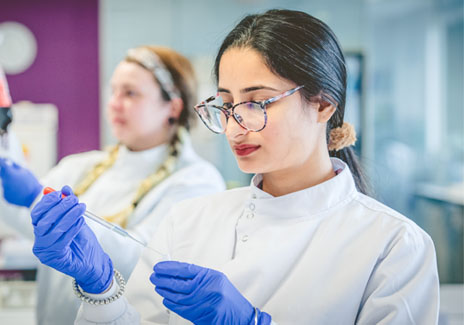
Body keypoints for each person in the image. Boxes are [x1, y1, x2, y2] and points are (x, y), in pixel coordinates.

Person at [29, 9, 440, 325]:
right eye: (226, 105)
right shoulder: (189, 221)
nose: (234, 126)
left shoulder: (394, 247)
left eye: (256, 102)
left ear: (323, 104)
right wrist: (100, 289)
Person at [0, 46, 226, 324]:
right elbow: (18, 216)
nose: (114, 103)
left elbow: (147, 261)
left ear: (172, 106)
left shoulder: (196, 181)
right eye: (113, 91)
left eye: (130, 93)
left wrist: (34, 197)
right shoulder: (83, 167)